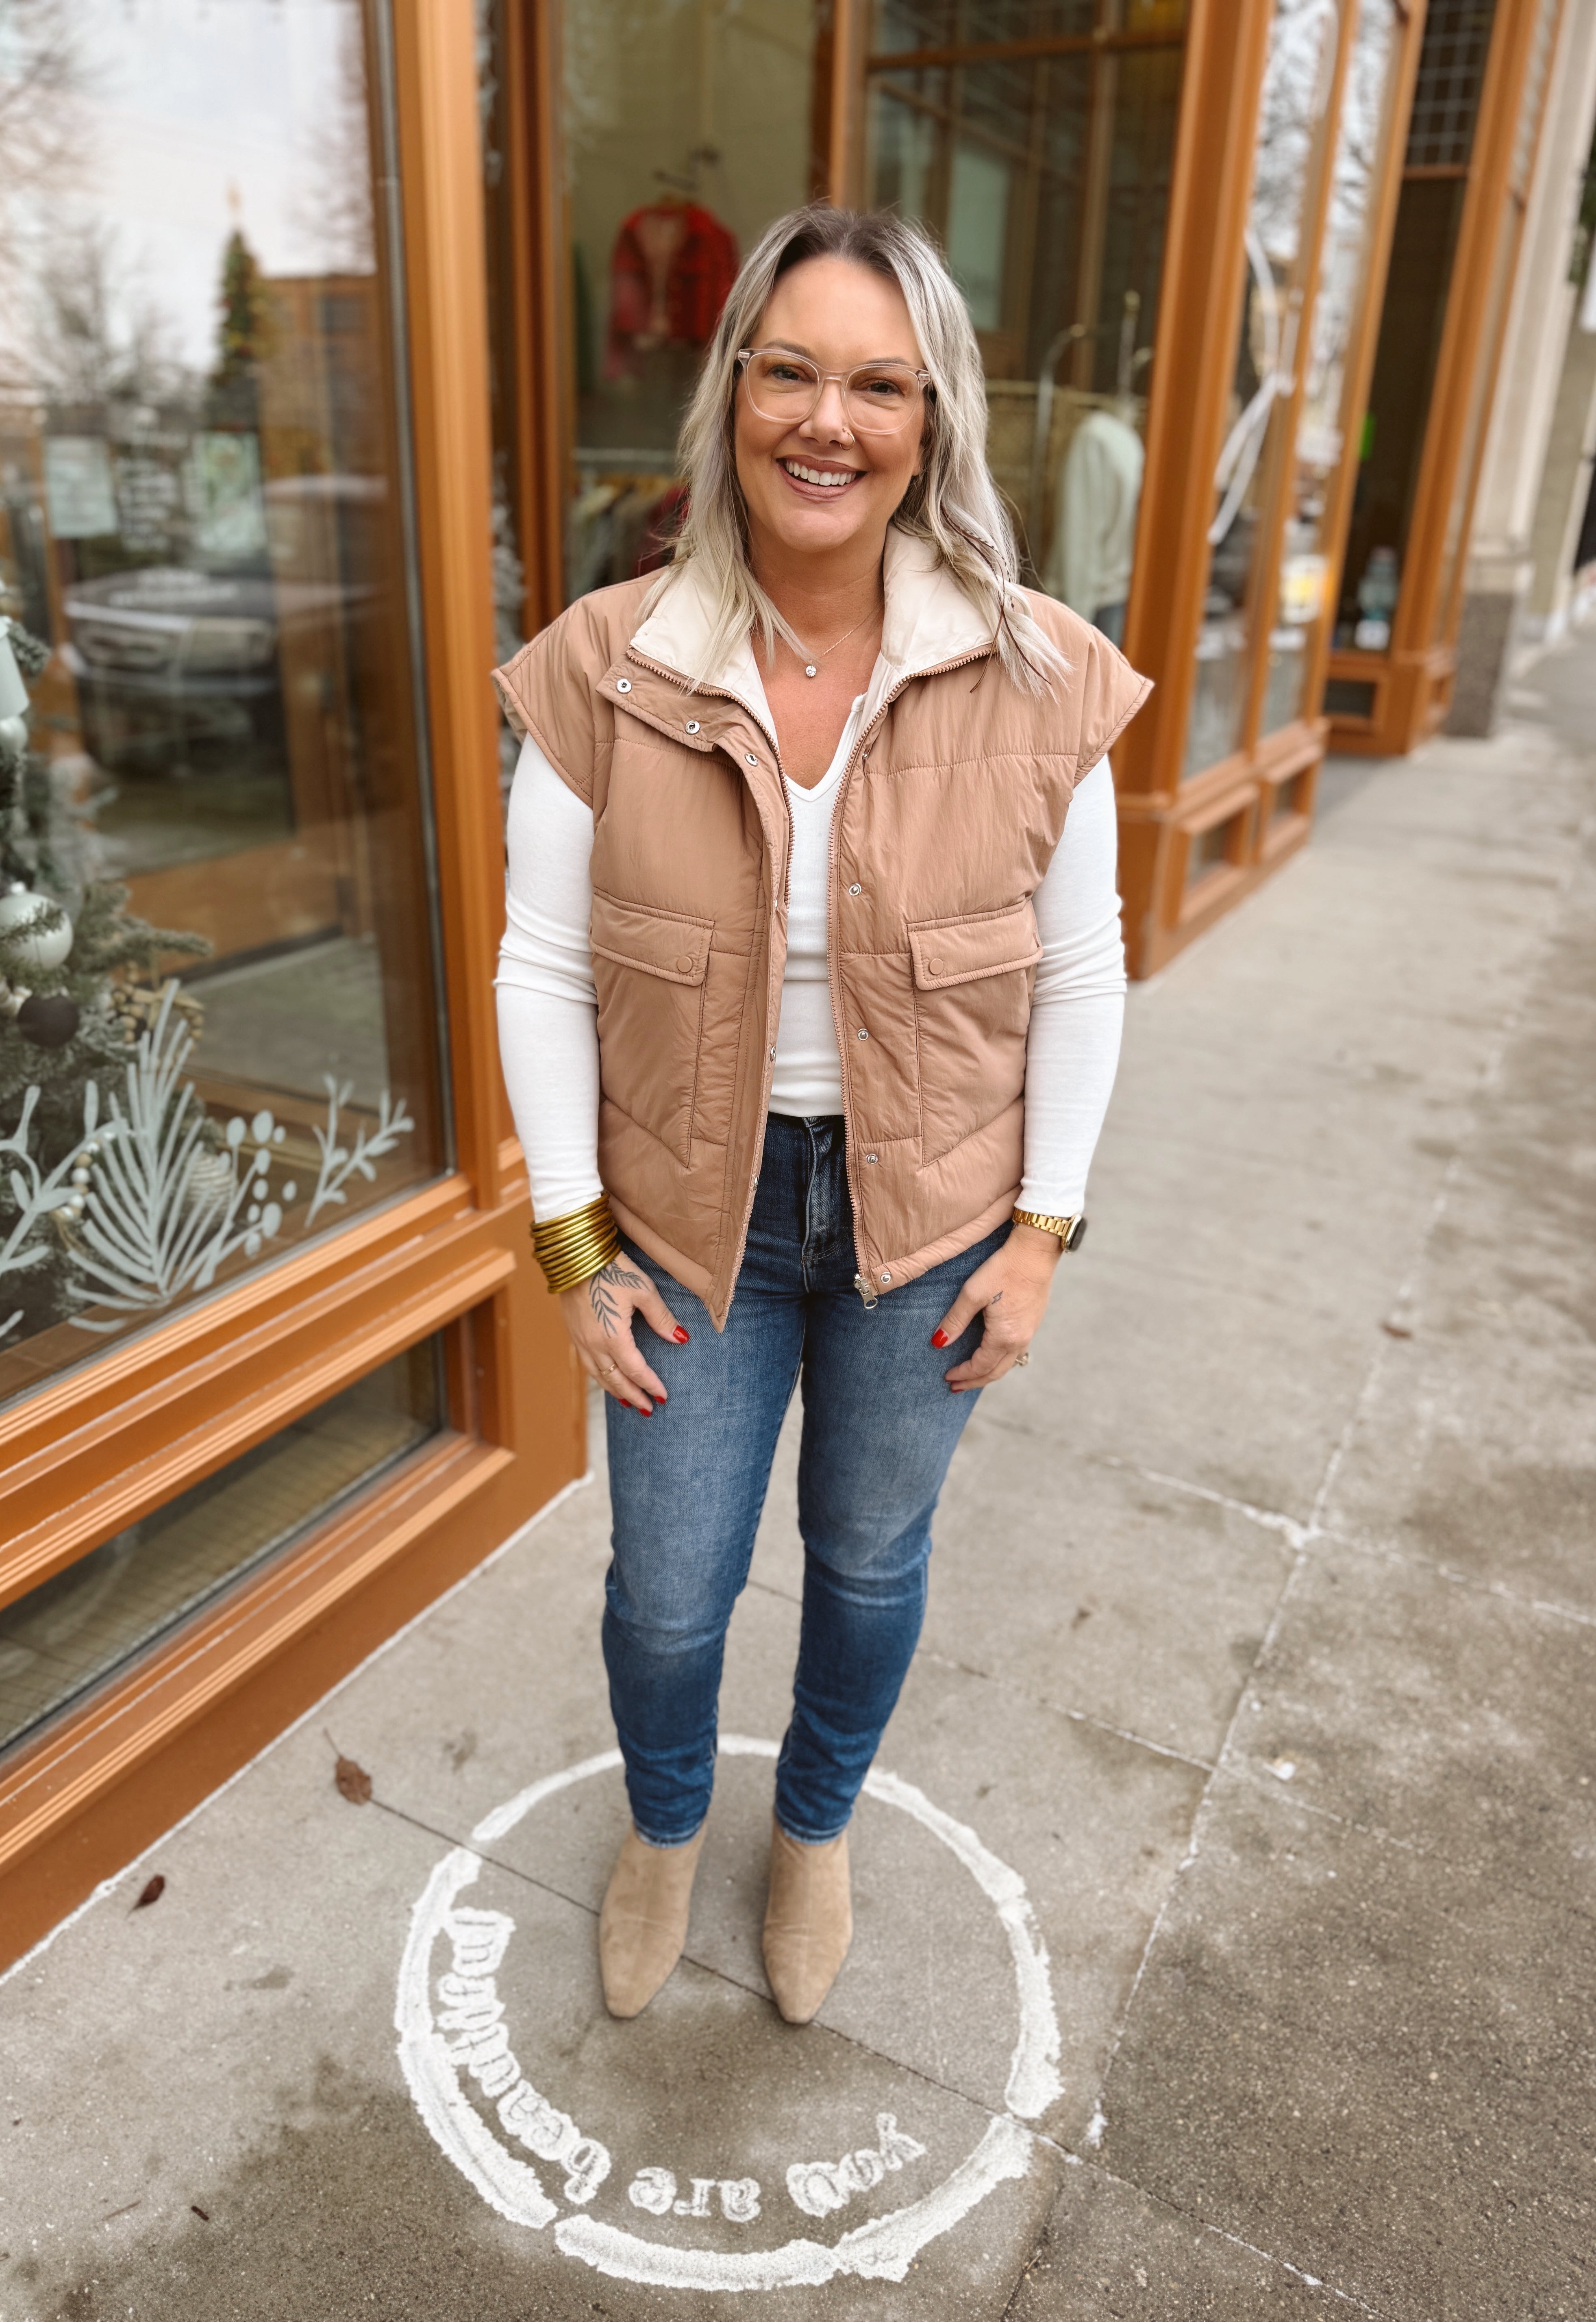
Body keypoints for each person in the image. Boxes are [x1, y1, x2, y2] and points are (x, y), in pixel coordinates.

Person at [493, 205, 1148, 2028]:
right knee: (668, 1599)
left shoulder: (1034, 675)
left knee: (868, 1561)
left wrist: (1043, 1235)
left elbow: (1084, 974)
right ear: (733, 392)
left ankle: (820, 1828)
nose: (827, 421)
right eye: (790, 369)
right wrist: (568, 1237)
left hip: (923, 1222)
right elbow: (538, 967)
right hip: (690, 1227)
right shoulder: (608, 665)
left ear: (933, 419)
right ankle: (665, 1828)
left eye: (878, 383)